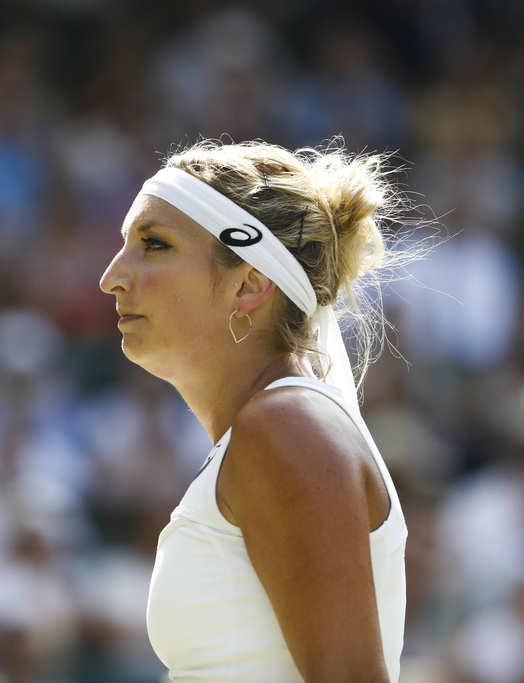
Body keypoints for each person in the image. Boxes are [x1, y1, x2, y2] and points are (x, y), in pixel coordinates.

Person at [99, 139, 409, 682]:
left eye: (154, 244)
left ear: (248, 285)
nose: (112, 277)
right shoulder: (274, 428)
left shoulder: (286, 426)